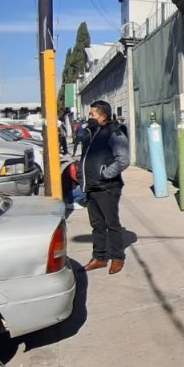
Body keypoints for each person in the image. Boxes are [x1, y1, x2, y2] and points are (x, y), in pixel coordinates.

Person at [80, 101, 131, 275]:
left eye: (92, 114)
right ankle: (99, 257)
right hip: (91, 187)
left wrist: (105, 174)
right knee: (97, 225)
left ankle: (117, 257)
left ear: (102, 116)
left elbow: (123, 160)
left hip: (107, 187)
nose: (89, 117)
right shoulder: (92, 132)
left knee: (111, 224)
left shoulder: (114, 133)